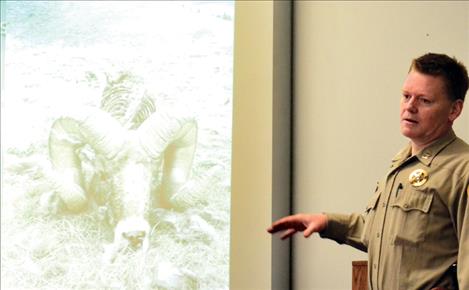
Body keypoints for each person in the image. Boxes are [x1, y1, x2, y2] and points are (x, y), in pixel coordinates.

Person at [267, 53, 469, 290]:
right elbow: (385, 236)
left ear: (454, 110)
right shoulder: (402, 163)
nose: (410, 107)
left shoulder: (461, 169)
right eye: (406, 96)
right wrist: (327, 222)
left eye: (424, 100)